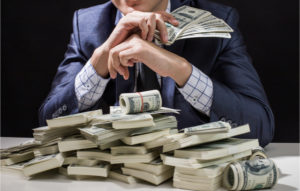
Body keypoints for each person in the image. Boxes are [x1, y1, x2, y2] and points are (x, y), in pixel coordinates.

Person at [39, 0, 275, 147]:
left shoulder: (219, 21)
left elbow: (261, 127)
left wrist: (181, 70)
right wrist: (97, 64)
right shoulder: (87, 25)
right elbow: (49, 123)